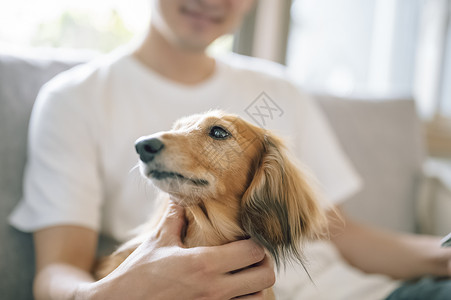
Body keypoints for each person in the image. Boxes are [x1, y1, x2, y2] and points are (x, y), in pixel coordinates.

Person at [8, 0, 451, 299]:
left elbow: (337, 230)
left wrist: (440, 254)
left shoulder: (277, 88)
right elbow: (57, 270)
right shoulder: (76, 97)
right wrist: (121, 291)